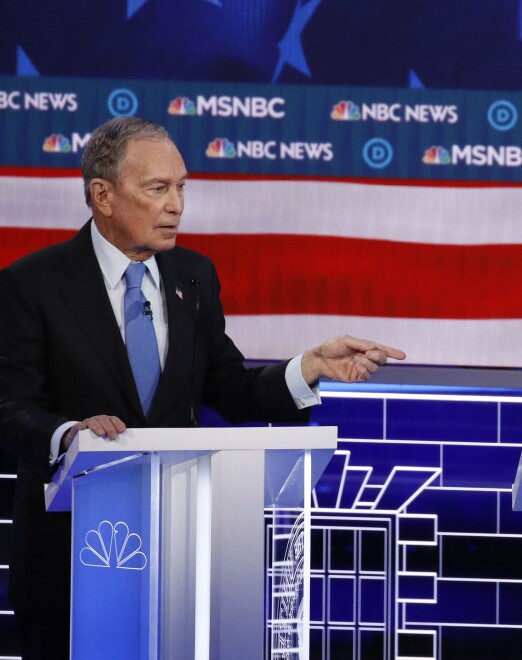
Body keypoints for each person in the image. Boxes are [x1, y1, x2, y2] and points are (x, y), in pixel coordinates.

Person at [0, 116, 405, 659]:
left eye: (182, 186)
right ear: (103, 196)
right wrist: (70, 434)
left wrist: (309, 366)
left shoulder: (194, 276)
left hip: (180, 551)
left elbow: (229, 387)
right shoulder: (32, 284)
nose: (177, 205)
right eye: (158, 189)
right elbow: (10, 407)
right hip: (72, 555)